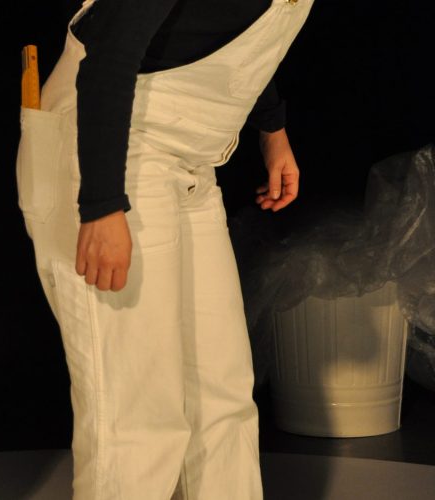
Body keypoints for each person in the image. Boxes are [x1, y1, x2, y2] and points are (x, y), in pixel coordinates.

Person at [16, 0, 313, 498]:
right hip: (114, 150)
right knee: (137, 415)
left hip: (191, 157)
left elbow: (235, 30)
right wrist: (102, 205)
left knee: (222, 398)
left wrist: (272, 129)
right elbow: (112, 45)